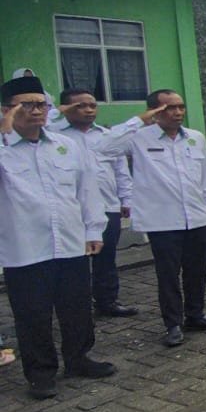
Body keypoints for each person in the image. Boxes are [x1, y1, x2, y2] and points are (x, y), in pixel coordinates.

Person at [0, 75, 114, 399]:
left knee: (76, 308)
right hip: (24, 249)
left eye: (42, 104)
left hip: (69, 242)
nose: (37, 111)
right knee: (32, 315)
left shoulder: (67, 146)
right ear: (6, 110)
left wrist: (93, 229)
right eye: (27, 105)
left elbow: (87, 190)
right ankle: (40, 373)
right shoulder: (3, 148)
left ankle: (79, 359)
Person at [113, 90, 206, 348]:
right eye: (169, 108)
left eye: (180, 107)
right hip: (163, 222)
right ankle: (173, 324)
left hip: (197, 217)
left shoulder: (195, 138)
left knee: (197, 271)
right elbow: (104, 147)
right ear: (154, 112)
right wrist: (138, 121)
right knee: (168, 276)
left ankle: (196, 315)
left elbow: (205, 177)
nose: (177, 113)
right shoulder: (138, 139)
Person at [52, 88, 141, 317]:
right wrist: (56, 114)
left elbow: (121, 170)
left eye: (92, 105)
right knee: (73, 261)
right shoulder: (54, 136)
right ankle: (75, 306)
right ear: (65, 109)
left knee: (106, 258)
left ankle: (107, 301)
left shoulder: (106, 136)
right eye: (80, 105)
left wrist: (127, 198)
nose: (89, 110)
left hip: (107, 205)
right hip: (71, 209)